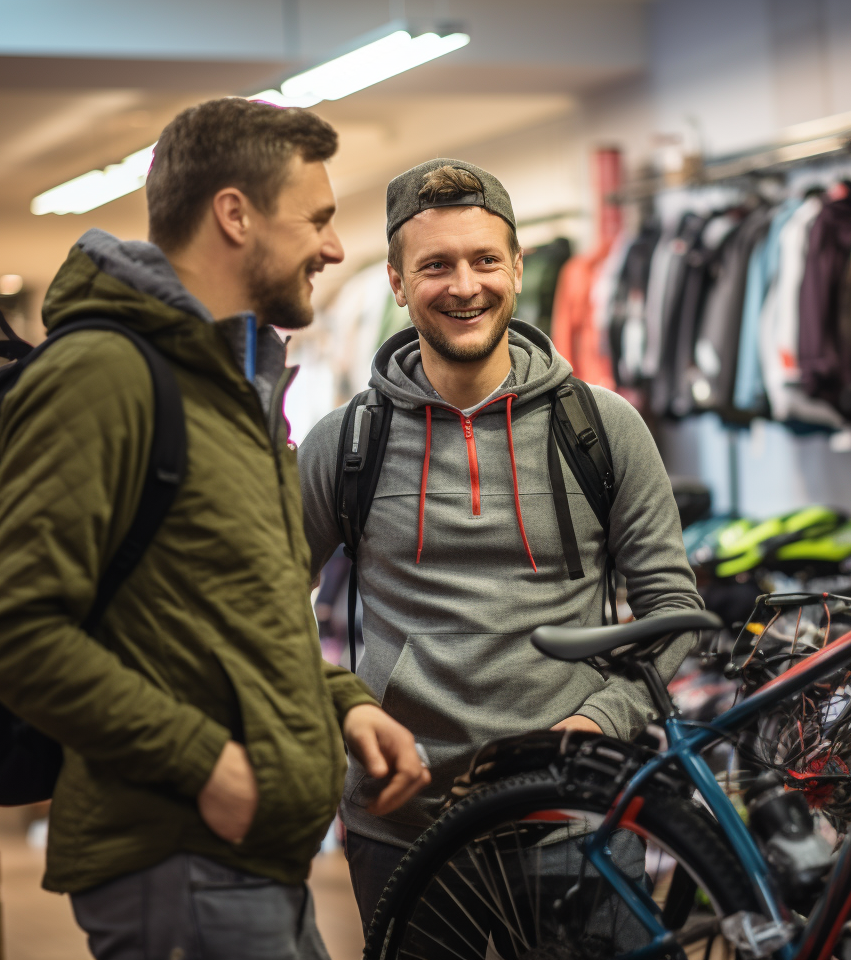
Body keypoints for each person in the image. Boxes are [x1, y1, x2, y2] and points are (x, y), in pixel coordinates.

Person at [0, 98, 429, 960]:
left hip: (251, 863)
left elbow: (227, 612)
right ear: (234, 214)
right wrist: (206, 763)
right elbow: (10, 629)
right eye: (317, 220)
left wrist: (341, 706)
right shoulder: (102, 375)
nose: (333, 248)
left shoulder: (229, 384)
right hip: (180, 864)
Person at [298, 158, 702, 925]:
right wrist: (346, 710)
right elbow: (267, 601)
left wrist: (600, 723)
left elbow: (672, 605)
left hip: (575, 815)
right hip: (404, 824)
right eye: (436, 265)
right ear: (394, 281)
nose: (465, 285)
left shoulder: (603, 428)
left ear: (517, 266)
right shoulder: (346, 442)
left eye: (486, 259)